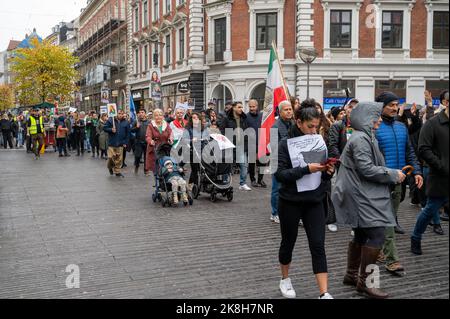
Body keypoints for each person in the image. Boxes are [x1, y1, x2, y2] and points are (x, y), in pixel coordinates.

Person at [332, 101, 405, 299]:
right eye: (376, 116)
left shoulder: (363, 136)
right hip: (360, 195)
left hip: (358, 193)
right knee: (377, 235)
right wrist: (393, 174)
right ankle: (366, 283)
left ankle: (352, 275)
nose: (380, 120)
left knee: (362, 234)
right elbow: (366, 169)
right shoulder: (361, 139)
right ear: (366, 118)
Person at [275, 101, 336, 300]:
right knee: (288, 242)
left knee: (318, 245)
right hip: (290, 201)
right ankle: (285, 278)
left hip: (315, 200)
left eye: (316, 127)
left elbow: (322, 177)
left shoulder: (319, 140)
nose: (313, 130)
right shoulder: (284, 143)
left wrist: (328, 171)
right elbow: (280, 175)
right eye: (310, 126)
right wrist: (305, 170)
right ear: (299, 122)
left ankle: (323, 292)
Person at [375, 91, 423, 276]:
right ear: (381, 107)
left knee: (388, 218)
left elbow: (410, 152)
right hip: (380, 181)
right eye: (391, 105)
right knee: (388, 220)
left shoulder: (402, 127)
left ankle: (376, 247)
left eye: (397, 104)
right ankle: (392, 259)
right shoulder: (374, 127)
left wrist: (416, 172)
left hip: (399, 182)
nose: (395, 108)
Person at [411, 90, 449, 255]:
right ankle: (416, 237)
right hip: (440, 177)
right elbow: (423, 149)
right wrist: (441, 166)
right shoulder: (433, 124)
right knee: (430, 210)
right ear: (446, 102)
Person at [270, 101, 294, 224]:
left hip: (291, 161)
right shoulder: (275, 127)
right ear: (280, 111)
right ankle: (275, 213)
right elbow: (274, 147)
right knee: (277, 189)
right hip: (277, 162)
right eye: (286, 109)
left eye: (290, 109)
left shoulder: (294, 124)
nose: (289, 111)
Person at [219, 101, 251, 191]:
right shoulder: (226, 118)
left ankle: (243, 184)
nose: (241, 109)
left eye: (242, 107)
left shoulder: (244, 118)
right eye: (239, 107)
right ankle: (225, 182)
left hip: (241, 145)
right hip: (230, 145)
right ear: (234, 108)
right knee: (227, 165)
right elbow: (221, 130)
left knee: (244, 165)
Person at [183, 112, 209, 189]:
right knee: (195, 169)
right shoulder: (188, 128)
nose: (196, 119)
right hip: (192, 150)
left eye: (197, 118)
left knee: (202, 168)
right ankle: (193, 185)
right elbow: (184, 139)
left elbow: (207, 137)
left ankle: (195, 184)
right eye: (193, 118)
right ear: (191, 119)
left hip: (202, 150)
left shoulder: (203, 128)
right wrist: (191, 140)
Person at [145, 108, 174, 175]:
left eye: (160, 115)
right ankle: (157, 182)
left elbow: (171, 133)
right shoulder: (150, 126)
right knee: (156, 170)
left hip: (165, 149)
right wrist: (151, 141)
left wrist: (171, 138)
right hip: (155, 149)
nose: (158, 117)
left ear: (163, 116)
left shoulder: (166, 125)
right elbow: (148, 136)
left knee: (166, 166)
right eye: (156, 115)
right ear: (154, 117)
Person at [103, 110, 130, 178]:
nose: (120, 115)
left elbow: (128, 134)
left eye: (121, 113)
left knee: (119, 159)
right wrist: (111, 129)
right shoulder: (110, 120)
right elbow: (105, 128)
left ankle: (117, 172)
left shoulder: (126, 122)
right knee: (111, 157)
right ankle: (110, 167)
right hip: (112, 143)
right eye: (119, 113)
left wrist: (125, 142)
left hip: (120, 143)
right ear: (116, 114)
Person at [246, 99, 266, 188]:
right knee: (251, 163)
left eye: (253, 106)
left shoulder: (262, 116)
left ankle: (260, 179)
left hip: (262, 142)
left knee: (262, 162)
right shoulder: (246, 117)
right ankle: (253, 180)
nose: (251, 108)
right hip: (251, 143)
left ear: (257, 106)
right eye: (250, 106)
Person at [131, 109, 150, 175]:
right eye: (140, 112)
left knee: (146, 157)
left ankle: (146, 170)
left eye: (142, 112)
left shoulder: (149, 122)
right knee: (137, 156)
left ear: (145, 114)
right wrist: (136, 127)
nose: (141, 113)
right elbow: (131, 130)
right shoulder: (136, 121)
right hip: (138, 142)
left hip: (147, 142)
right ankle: (136, 166)